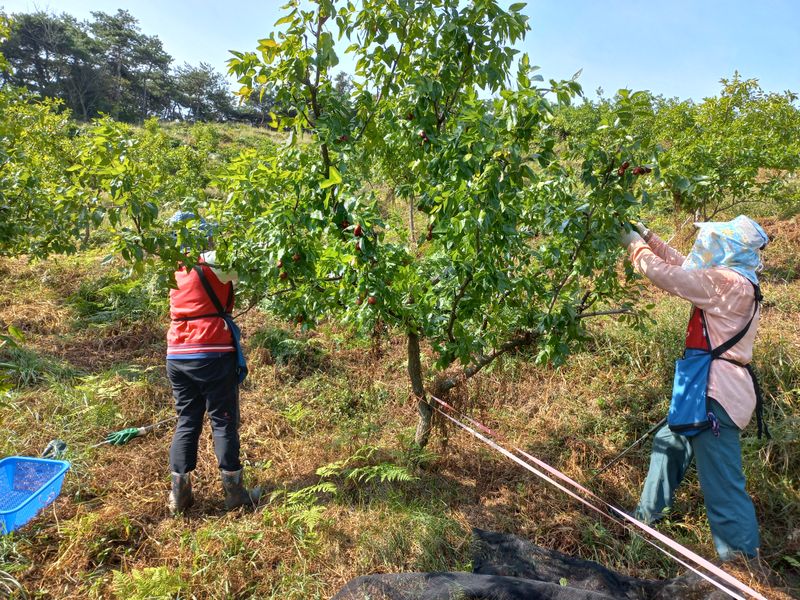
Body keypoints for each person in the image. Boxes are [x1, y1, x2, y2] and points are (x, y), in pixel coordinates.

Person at [619, 215, 770, 561]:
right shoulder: (736, 279)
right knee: (668, 442)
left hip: (715, 394)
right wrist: (647, 236)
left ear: (729, 248)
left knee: (723, 485)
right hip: (702, 388)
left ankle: (742, 565)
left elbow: (669, 276)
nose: (708, 246)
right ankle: (645, 521)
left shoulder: (728, 283)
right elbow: (688, 268)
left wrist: (633, 245)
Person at [166, 211, 260, 515]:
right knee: (223, 419)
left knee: (187, 420)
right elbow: (252, 268)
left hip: (177, 353)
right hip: (212, 349)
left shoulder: (173, 268)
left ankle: (179, 496)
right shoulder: (216, 261)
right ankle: (234, 494)